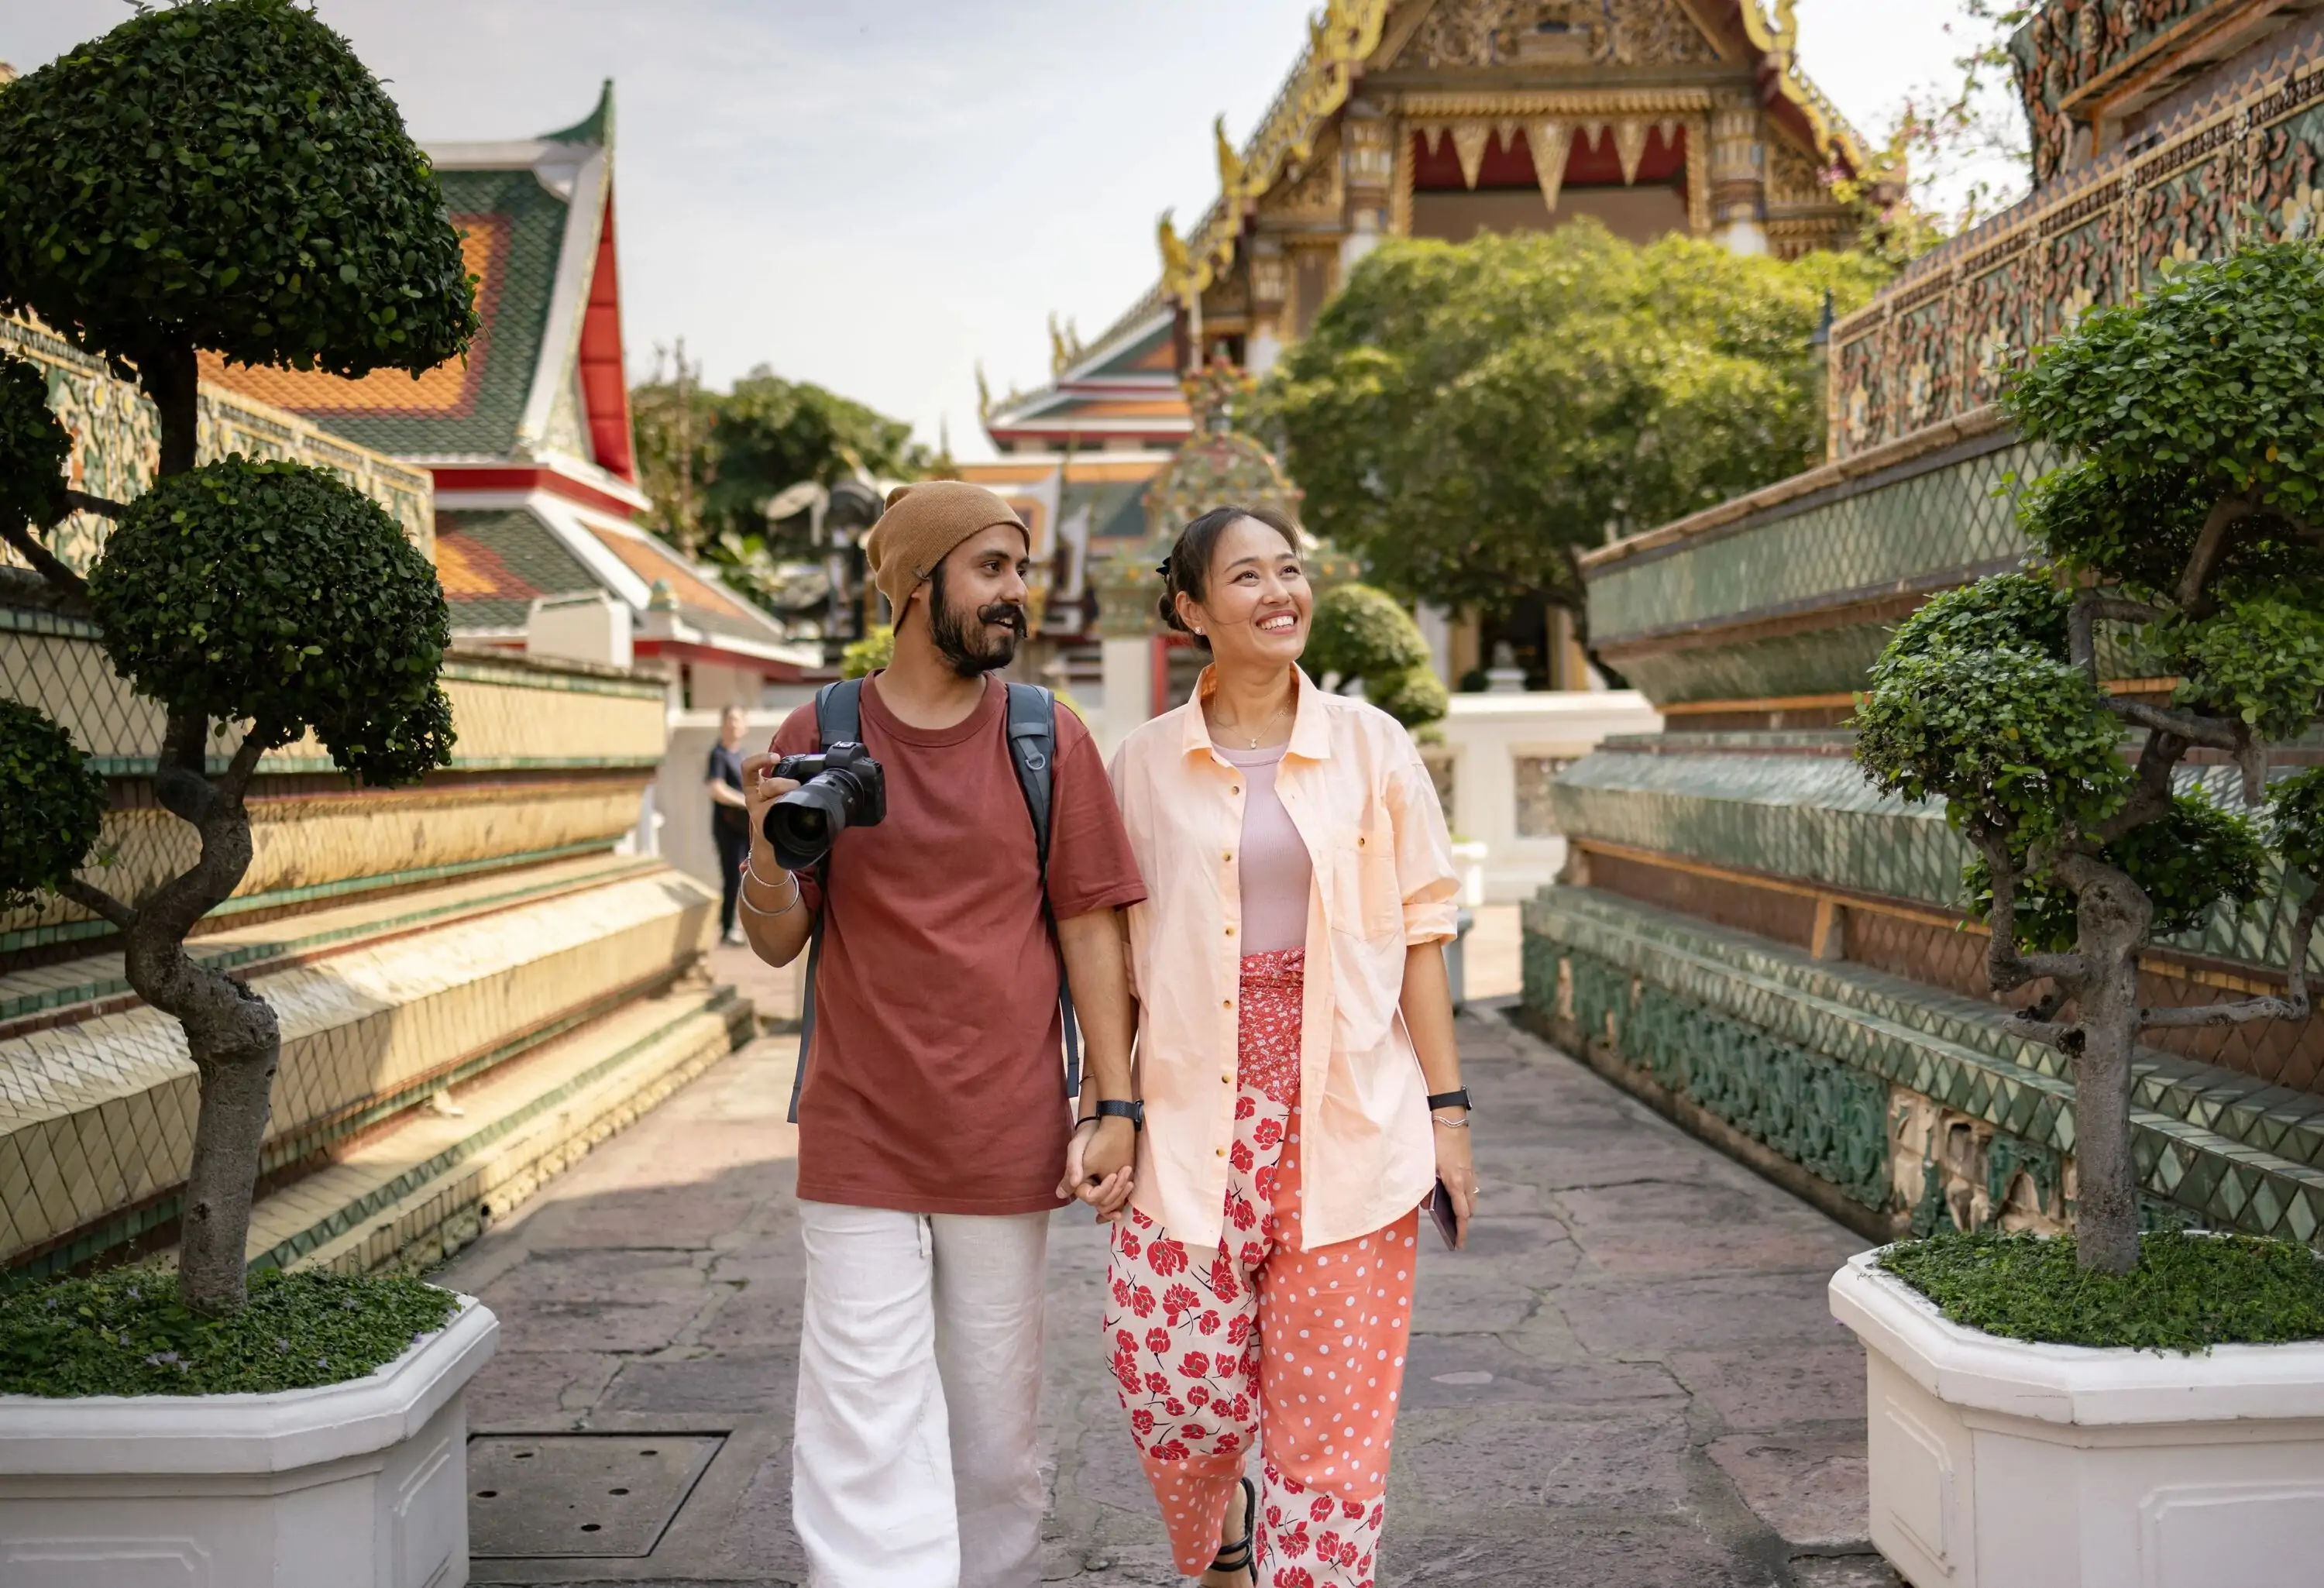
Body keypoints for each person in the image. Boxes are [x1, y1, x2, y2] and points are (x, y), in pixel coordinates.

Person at [736, 480, 1147, 1588]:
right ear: (920, 586)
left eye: (1021, 568)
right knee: (862, 1415)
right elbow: (777, 943)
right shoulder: (817, 732)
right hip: (858, 1126)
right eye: (994, 569)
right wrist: (770, 850)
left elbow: (1089, 923)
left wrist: (1115, 1103)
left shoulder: (1044, 735)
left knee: (995, 1437)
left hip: (1006, 1130)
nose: (1019, 593)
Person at [1102, 504, 1477, 1588]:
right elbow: (1112, 960)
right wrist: (1109, 1104)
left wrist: (1448, 1116)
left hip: (1346, 1114)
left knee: (1331, 1424)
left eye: (1291, 569)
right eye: (1247, 577)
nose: (1281, 594)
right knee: (1176, 1384)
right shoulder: (1141, 765)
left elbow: (1420, 936)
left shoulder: (1372, 744)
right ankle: (1222, 1536)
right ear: (1189, 609)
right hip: (1187, 1117)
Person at [706, 704, 753, 946]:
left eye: (738, 720)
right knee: (732, 877)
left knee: (748, 878)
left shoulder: (742, 754)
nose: (733, 725)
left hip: (744, 828)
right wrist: (744, 801)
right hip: (727, 829)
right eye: (730, 720)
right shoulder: (718, 755)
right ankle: (727, 928)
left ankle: (742, 927)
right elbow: (716, 789)